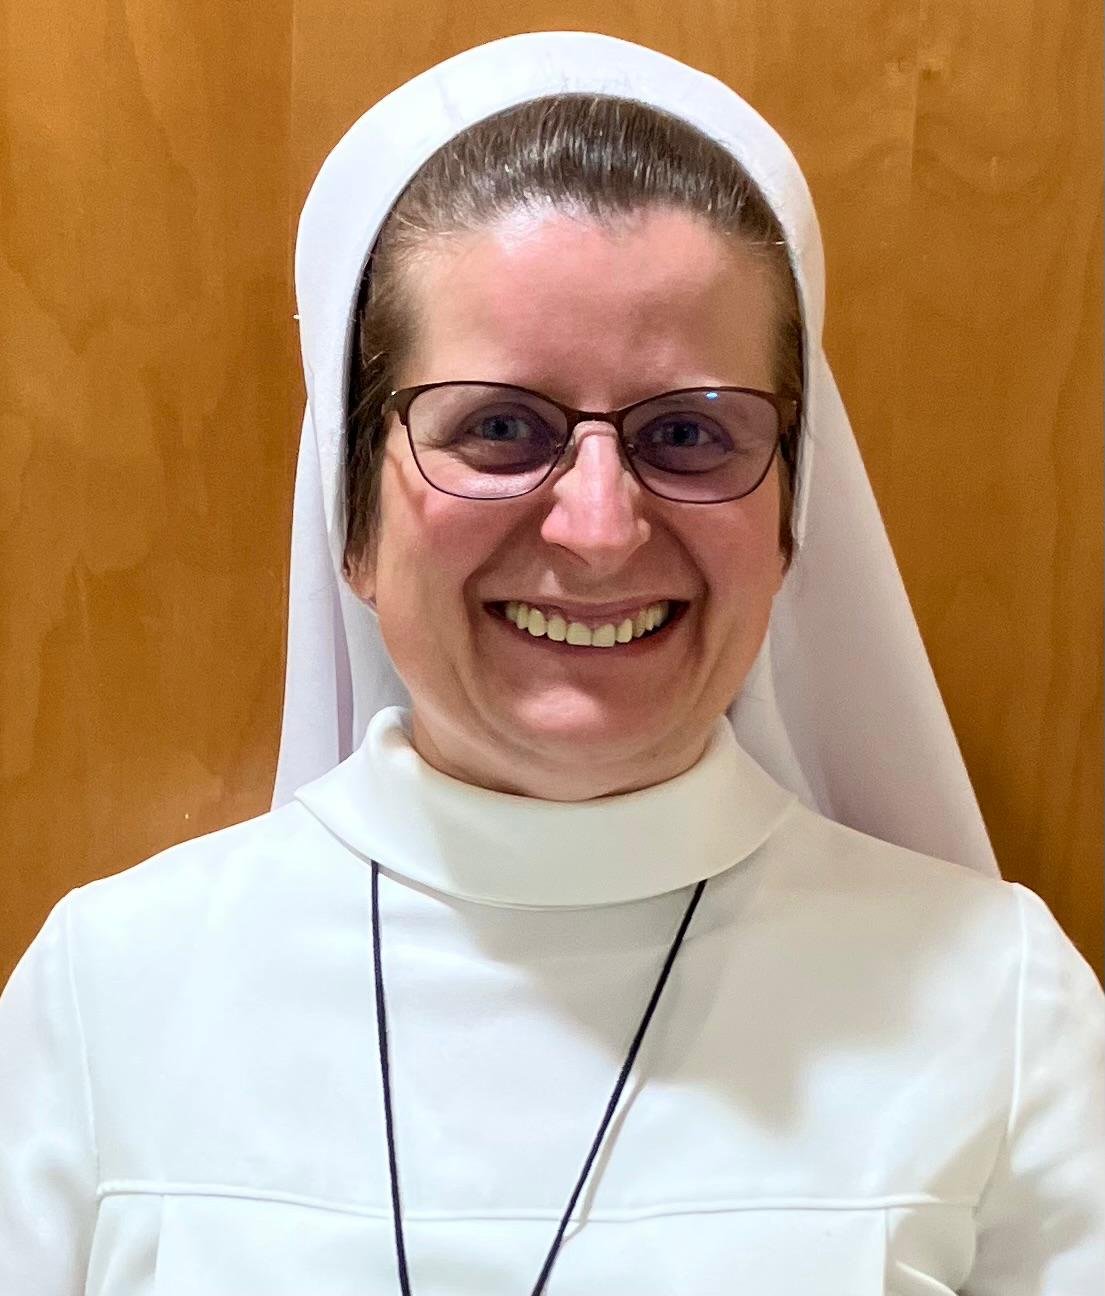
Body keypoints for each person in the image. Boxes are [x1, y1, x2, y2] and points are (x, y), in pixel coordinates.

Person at [1, 31, 1102, 1296]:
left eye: (688, 433)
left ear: (793, 519)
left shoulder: (997, 1006)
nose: (597, 525)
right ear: (350, 519)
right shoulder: (114, 995)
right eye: (501, 427)